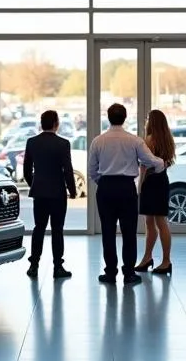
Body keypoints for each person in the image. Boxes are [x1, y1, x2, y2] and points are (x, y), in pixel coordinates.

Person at [89, 103, 166, 286]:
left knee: (107, 232)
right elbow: (150, 160)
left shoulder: (98, 141)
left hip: (106, 188)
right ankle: (129, 273)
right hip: (126, 189)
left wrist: (103, 181)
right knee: (129, 232)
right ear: (124, 118)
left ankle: (110, 273)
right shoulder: (134, 140)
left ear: (108, 118)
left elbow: (92, 170)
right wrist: (161, 163)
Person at [23, 109, 77, 279]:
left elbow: (26, 170)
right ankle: (57, 267)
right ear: (56, 124)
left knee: (39, 228)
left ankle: (34, 265)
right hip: (57, 193)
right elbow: (67, 170)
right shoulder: (63, 144)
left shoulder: (32, 142)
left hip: (39, 193)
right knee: (57, 229)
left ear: (42, 124)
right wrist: (72, 189)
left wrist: (35, 184)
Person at [136, 109, 177, 274]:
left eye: (147, 119)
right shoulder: (167, 139)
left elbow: (144, 167)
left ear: (151, 122)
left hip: (151, 182)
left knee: (152, 223)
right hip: (162, 181)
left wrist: (140, 185)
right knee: (160, 222)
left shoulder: (149, 140)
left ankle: (154, 259)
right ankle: (155, 258)